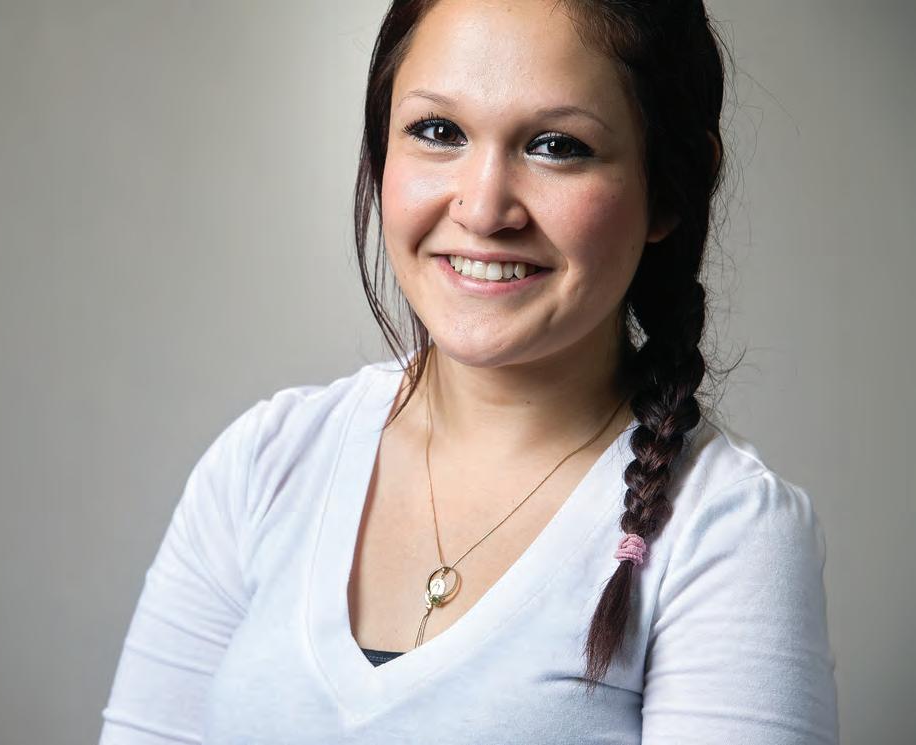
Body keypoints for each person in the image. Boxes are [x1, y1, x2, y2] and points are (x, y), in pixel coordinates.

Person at [98, 0, 839, 742]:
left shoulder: (728, 532)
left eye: (557, 146)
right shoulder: (263, 465)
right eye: (438, 132)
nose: (484, 210)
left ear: (674, 186)